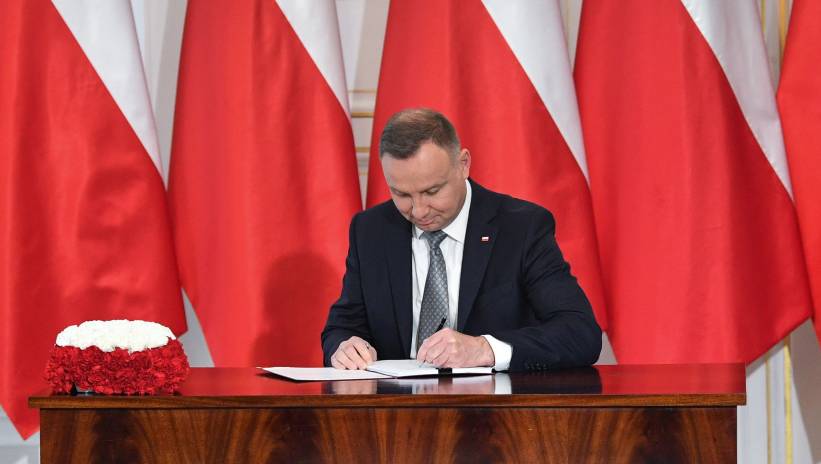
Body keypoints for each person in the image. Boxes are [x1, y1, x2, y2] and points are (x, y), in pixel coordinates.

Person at [321, 108, 601, 371]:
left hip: (495, 402)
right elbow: (342, 327)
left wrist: (484, 349)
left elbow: (579, 332)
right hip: (396, 404)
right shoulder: (371, 230)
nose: (418, 211)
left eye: (432, 191)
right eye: (402, 194)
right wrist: (344, 347)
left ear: (463, 164)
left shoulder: (521, 227)